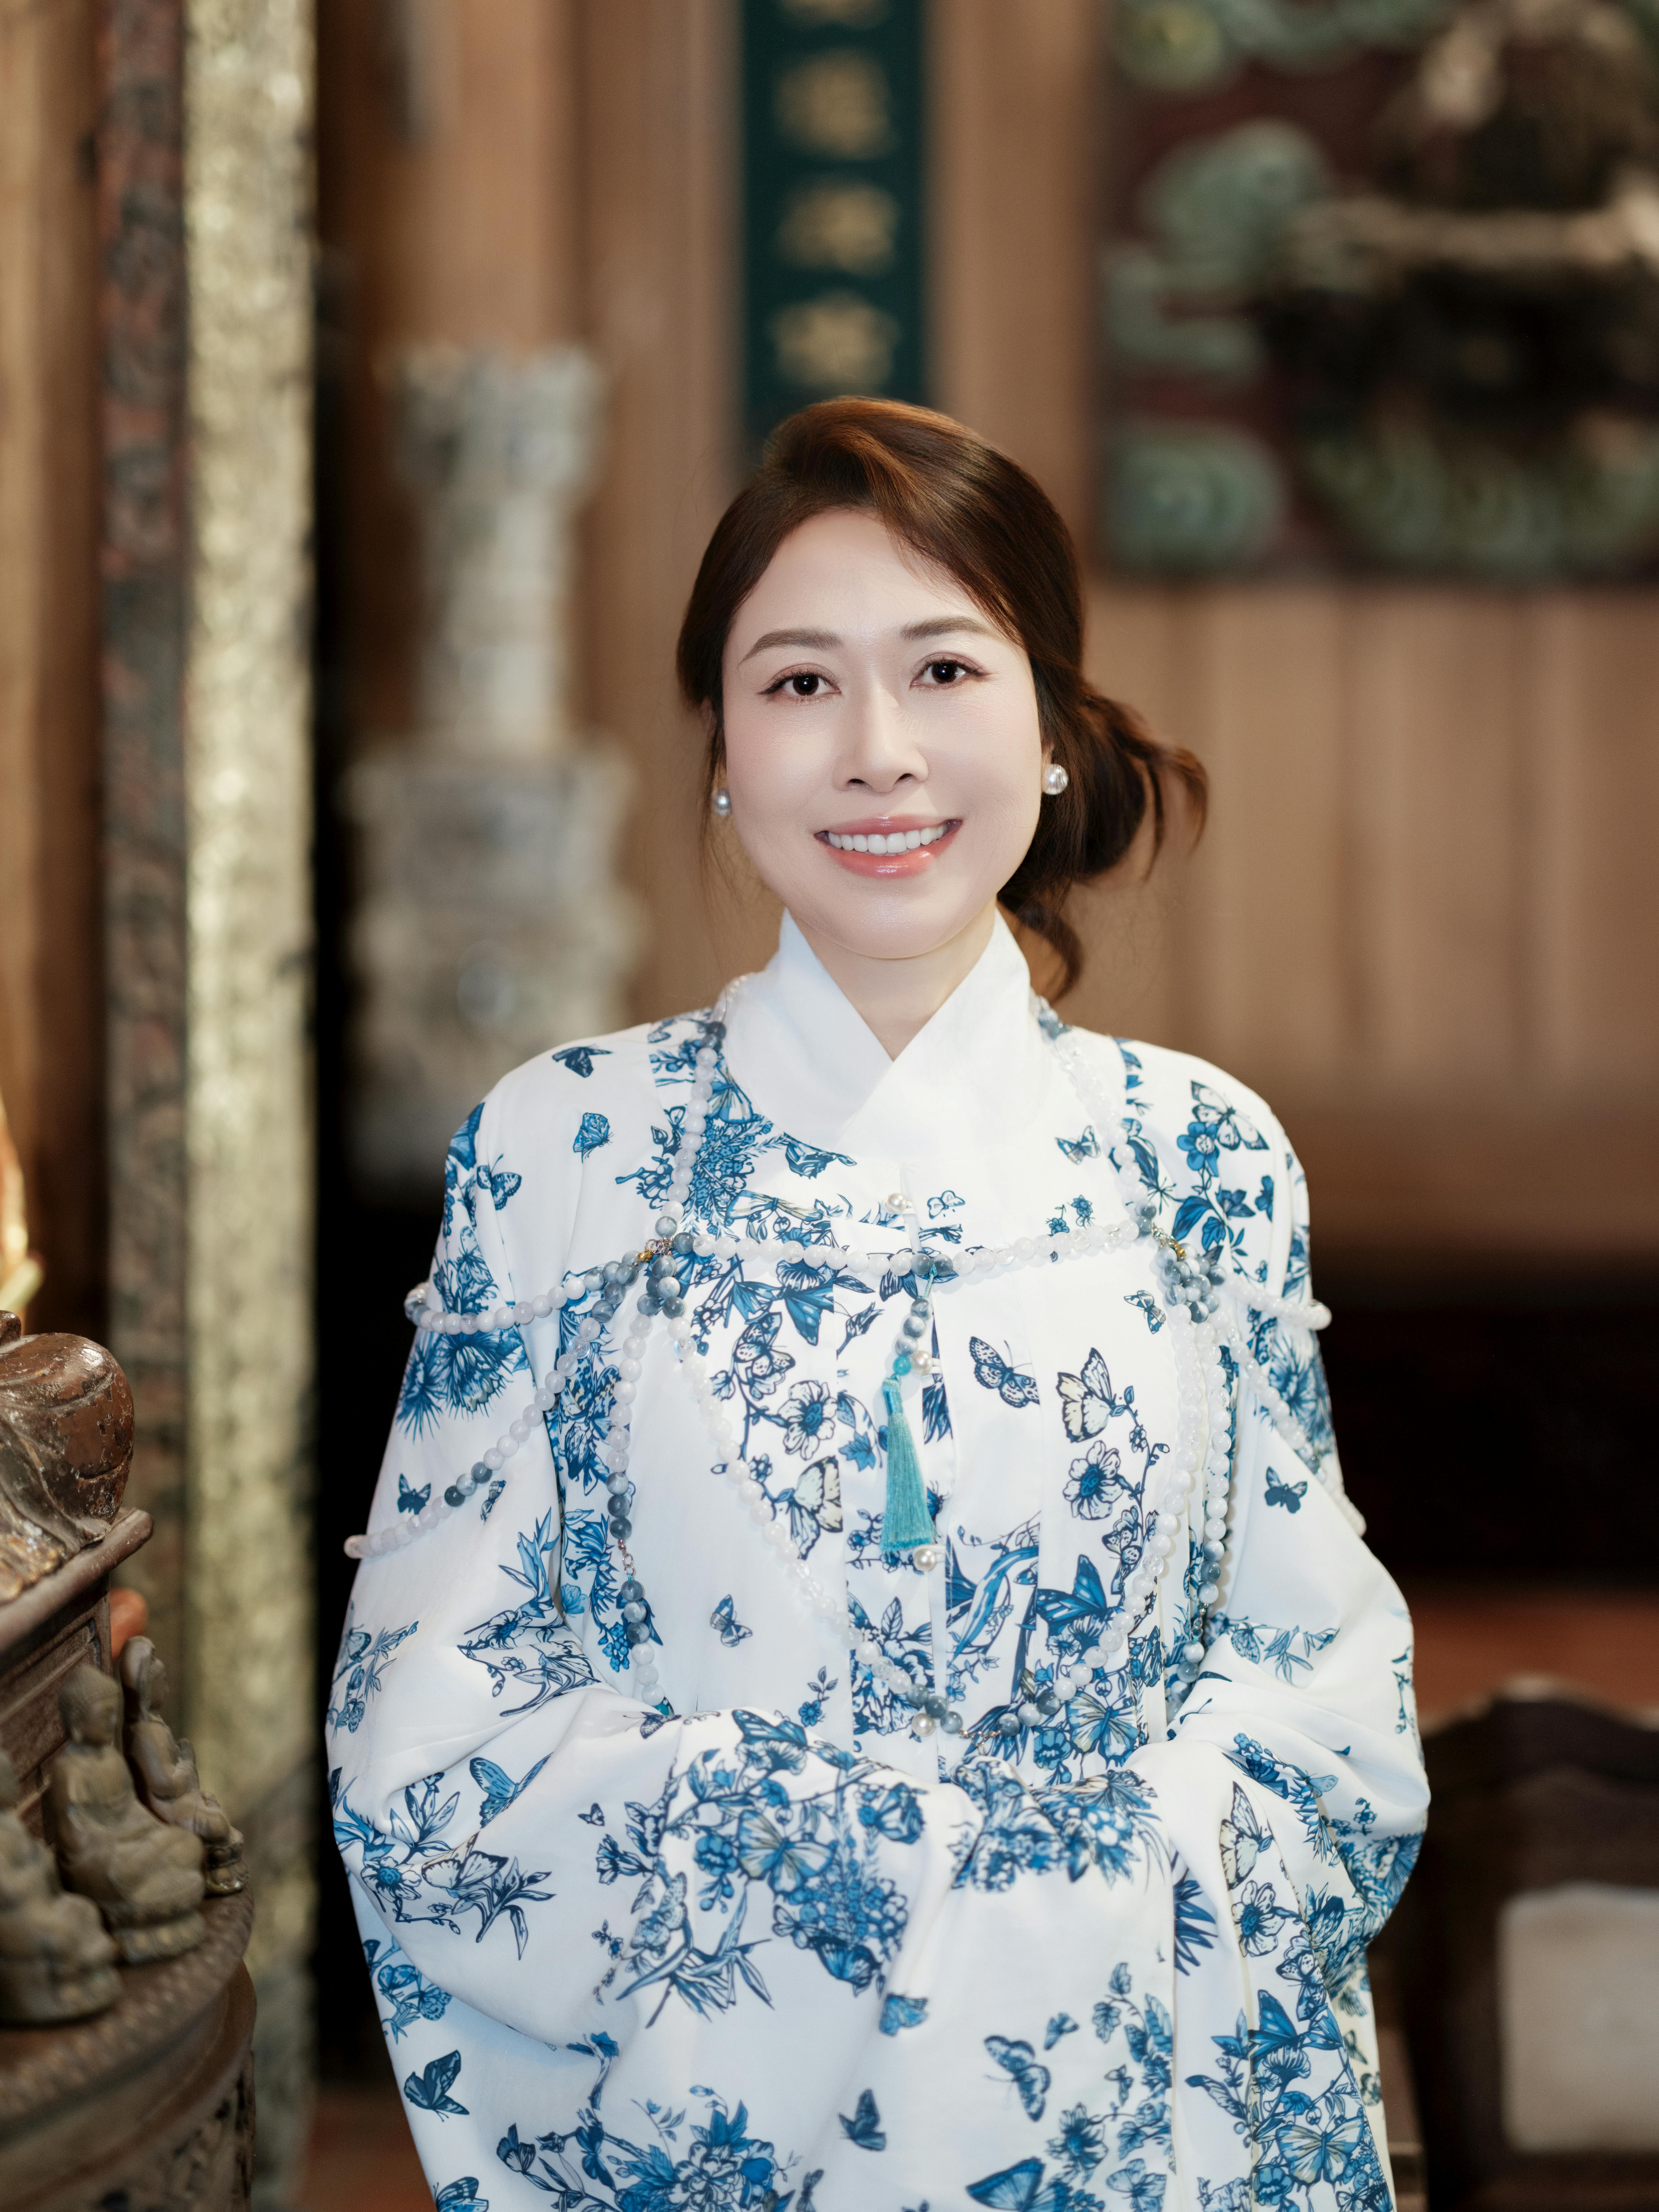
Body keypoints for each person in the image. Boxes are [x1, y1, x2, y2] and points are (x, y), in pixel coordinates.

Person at [329, 399, 1427, 2211]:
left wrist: (1056, 1909)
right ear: (721, 750)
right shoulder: (566, 1150)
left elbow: (1322, 1703)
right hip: (714, 2139)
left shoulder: (1198, 1158)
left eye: (943, 669)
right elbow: (436, 1748)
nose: (880, 752)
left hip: (1126, 2129)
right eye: (798, 684)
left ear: (1050, 729)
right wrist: (891, 1873)